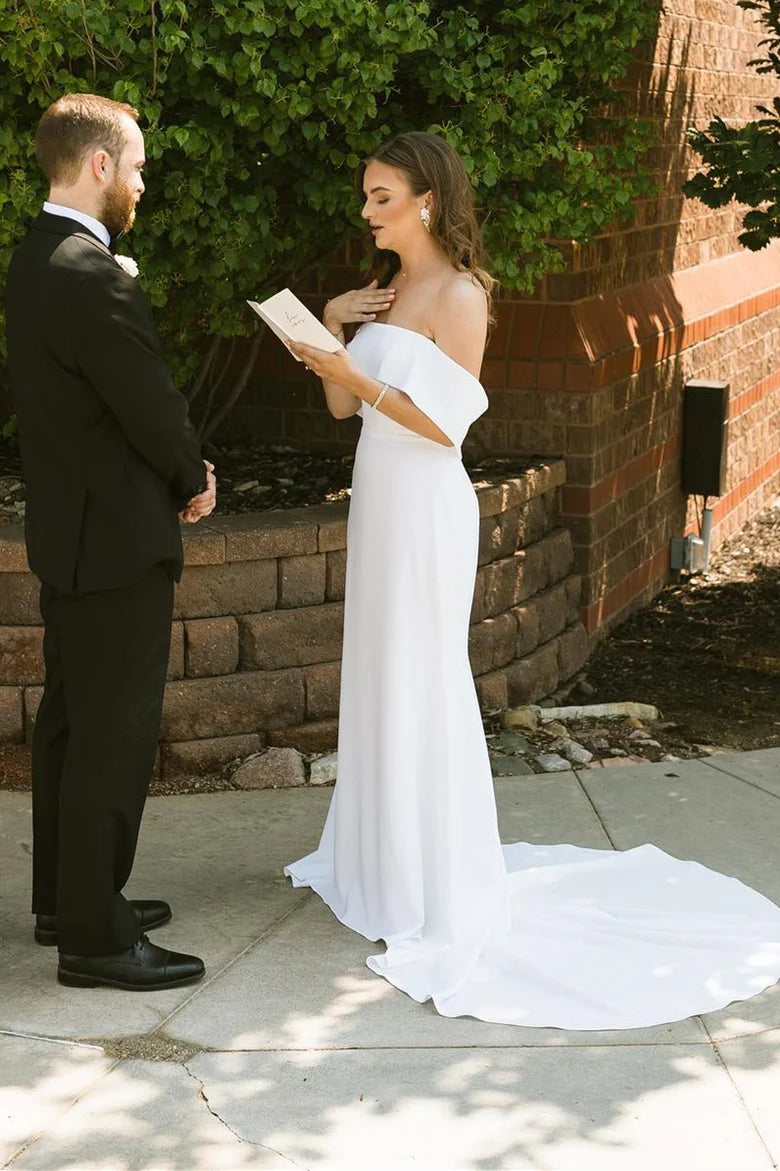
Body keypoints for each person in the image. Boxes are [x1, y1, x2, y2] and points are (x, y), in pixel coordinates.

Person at [284, 131, 780, 1029]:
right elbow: (342, 406)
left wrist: (352, 365)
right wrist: (330, 322)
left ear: (428, 200)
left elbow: (445, 426)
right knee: (378, 672)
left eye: (382, 196)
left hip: (426, 500)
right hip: (378, 496)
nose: (368, 212)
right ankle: (377, 857)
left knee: (423, 674)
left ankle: (428, 868)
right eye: (366, 196)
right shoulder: (383, 293)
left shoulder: (463, 295)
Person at [4, 93, 215, 991]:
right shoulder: (91, 272)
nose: (139, 182)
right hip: (119, 539)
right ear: (97, 166)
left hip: (68, 531)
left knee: (68, 722)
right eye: (133, 166)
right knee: (111, 735)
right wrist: (192, 474)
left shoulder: (33, 256)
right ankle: (94, 936)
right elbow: (146, 399)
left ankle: (66, 895)